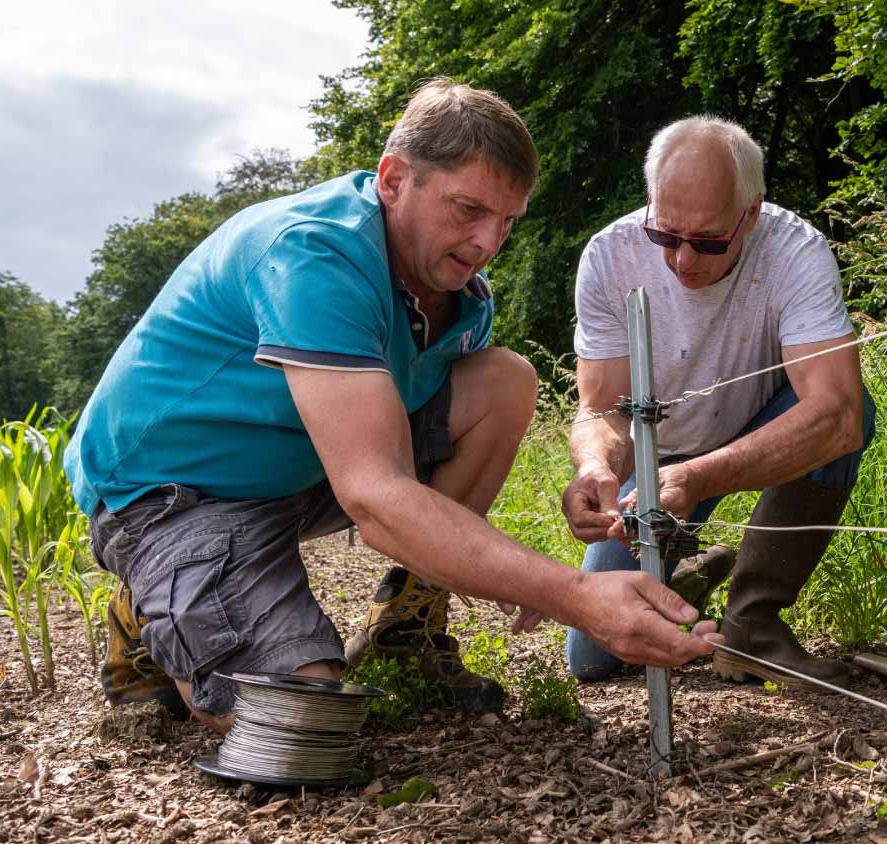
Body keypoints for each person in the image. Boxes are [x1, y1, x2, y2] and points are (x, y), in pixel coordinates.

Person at [66, 79, 719, 734]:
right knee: (299, 726)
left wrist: (523, 569)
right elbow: (375, 497)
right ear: (393, 178)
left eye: (507, 221)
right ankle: (146, 607)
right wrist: (569, 593)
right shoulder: (313, 254)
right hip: (173, 493)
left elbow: (390, 470)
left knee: (504, 381)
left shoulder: (461, 295)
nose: (487, 242)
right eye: (468, 209)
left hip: (295, 466)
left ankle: (404, 627)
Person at [561, 116, 875, 685]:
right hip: (659, 458)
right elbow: (602, 406)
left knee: (850, 411)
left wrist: (699, 479)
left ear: (751, 213)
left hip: (761, 427)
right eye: (665, 235)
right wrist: (595, 466)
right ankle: (688, 578)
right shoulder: (608, 256)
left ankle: (754, 621)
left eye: (707, 241)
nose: (683, 259)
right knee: (596, 657)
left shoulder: (795, 251)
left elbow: (836, 413)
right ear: (650, 203)